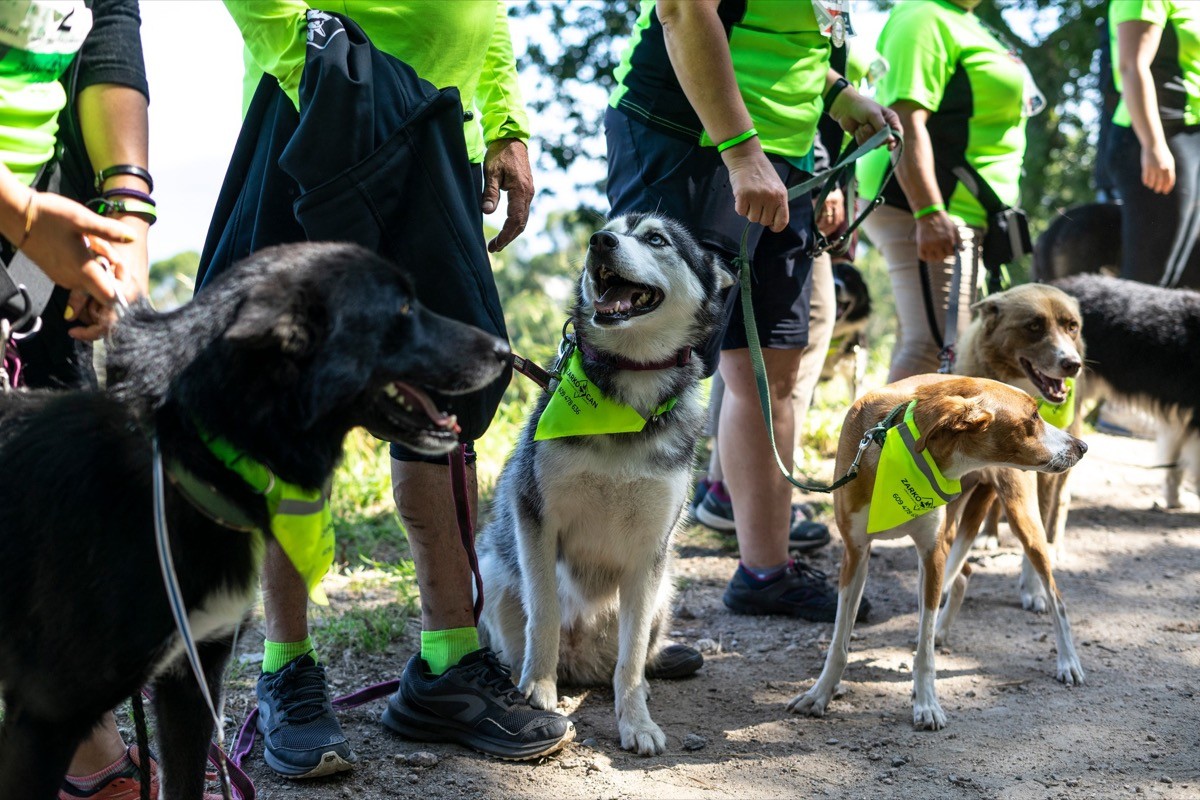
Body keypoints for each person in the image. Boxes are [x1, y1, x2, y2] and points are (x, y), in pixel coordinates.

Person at [207, 1, 574, 776]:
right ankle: (286, 669)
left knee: (444, 397)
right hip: (323, 128)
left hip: (440, 138)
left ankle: (448, 664)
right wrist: (325, 82)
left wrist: (506, 122)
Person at [606, 0, 900, 621]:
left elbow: (782, 35)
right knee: (639, 365)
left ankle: (765, 572)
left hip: (784, 158)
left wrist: (837, 94)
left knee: (771, 373)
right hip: (690, 139)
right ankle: (594, 607)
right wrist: (741, 151)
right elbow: (684, 11)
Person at [0, 4, 155, 799]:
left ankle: (83, 749)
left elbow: (108, 20)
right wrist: (23, 218)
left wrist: (127, 209)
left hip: (46, 194)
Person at [692, 43, 888, 555]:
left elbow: (808, 76)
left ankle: (739, 500)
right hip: (764, 164)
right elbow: (790, 72)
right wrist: (824, 177)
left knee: (754, 354)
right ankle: (740, 496)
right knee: (769, 354)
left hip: (786, 166)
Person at [857, 0, 1042, 381]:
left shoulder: (971, 23)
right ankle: (884, 425)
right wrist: (928, 212)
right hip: (926, 206)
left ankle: (901, 422)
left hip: (965, 210)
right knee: (935, 347)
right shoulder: (923, 15)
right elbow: (904, 119)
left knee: (929, 343)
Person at [1106, 0, 1200, 288]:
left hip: (1191, 137)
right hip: (1157, 140)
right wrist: (1154, 144)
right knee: (1147, 280)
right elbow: (1131, 66)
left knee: (1177, 279)